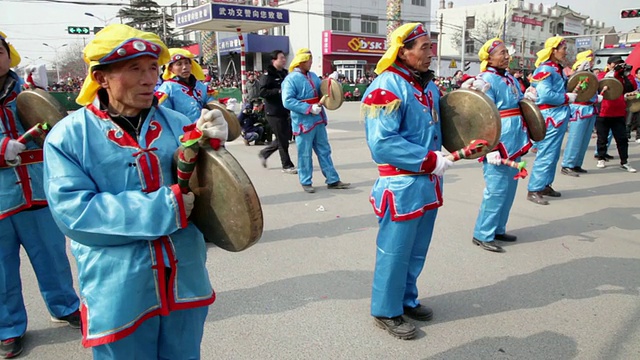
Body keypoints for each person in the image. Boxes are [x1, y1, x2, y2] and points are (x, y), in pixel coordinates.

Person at [42, 24, 227, 358]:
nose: (149, 79)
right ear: (101, 78)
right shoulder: (68, 137)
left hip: (183, 280)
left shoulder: (174, 123)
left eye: (153, 68)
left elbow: (209, 181)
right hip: (117, 289)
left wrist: (213, 140)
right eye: (135, 69)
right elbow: (75, 214)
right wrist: (166, 206)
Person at [362, 23, 453, 340]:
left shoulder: (427, 86)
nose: (430, 53)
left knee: (416, 250)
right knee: (394, 251)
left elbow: (445, 124)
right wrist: (429, 160)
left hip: (427, 182)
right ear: (403, 51)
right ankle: (385, 310)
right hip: (401, 185)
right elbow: (382, 143)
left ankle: (406, 299)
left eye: (431, 46)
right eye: (424, 47)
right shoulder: (385, 87)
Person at [0, 30, 80, 359]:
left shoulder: (30, 92)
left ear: (9, 54)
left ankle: (64, 306)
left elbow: (55, 128)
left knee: (53, 258)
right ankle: (8, 328)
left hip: (38, 190)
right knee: (2, 272)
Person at [462, 38, 532, 253]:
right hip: (498, 141)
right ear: (489, 57)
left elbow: (518, 102)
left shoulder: (509, 77)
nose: (506, 56)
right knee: (496, 190)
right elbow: (482, 116)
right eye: (501, 53)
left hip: (515, 139)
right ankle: (483, 233)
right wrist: (490, 147)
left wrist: (528, 96)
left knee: (509, 189)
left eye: (506, 52)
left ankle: (498, 228)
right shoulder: (485, 80)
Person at [282, 48, 350, 193]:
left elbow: (324, 92)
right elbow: (287, 101)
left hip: (318, 119)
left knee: (325, 151)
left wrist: (330, 82)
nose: (311, 63)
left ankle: (332, 180)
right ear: (301, 62)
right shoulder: (290, 79)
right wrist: (308, 108)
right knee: (304, 153)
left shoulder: (313, 76)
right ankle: (305, 181)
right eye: (309, 60)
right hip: (303, 122)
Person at [526, 36, 575, 205]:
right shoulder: (546, 69)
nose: (565, 52)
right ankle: (534, 188)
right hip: (551, 117)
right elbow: (545, 95)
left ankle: (545, 184)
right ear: (553, 50)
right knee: (546, 153)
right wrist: (566, 97)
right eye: (563, 48)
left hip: (558, 116)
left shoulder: (556, 68)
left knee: (553, 155)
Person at [560, 50, 603, 177]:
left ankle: (577, 163)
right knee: (575, 138)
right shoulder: (579, 74)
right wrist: (595, 99)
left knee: (584, 139)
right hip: (580, 109)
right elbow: (581, 93)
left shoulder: (589, 74)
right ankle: (567, 164)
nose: (592, 60)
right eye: (590, 58)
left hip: (589, 109)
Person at [595, 56, 637, 173]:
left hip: (618, 113)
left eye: (620, 64)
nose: (617, 66)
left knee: (622, 139)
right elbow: (599, 86)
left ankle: (624, 161)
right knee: (602, 138)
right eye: (615, 64)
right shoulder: (602, 75)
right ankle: (601, 157)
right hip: (603, 112)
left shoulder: (624, 77)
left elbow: (632, 87)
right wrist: (613, 72)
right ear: (608, 65)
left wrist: (626, 74)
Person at [258, 50, 297, 174]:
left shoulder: (285, 74)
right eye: (281, 58)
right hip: (273, 112)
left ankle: (264, 153)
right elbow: (262, 92)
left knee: (285, 137)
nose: (284, 60)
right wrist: (278, 91)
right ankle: (287, 165)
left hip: (285, 110)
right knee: (283, 140)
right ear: (274, 60)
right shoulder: (267, 75)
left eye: (284, 58)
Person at [155, 48, 217, 122]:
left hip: (205, 128)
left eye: (187, 63)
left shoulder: (200, 86)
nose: (184, 67)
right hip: (181, 132)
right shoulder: (167, 88)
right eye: (179, 64)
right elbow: (163, 116)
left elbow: (213, 105)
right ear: (170, 68)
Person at [626, 67, 640, 143]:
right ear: (636, 75)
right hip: (632, 103)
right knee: (629, 120)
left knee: (639, 121)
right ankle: (627, 135)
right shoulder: (633, 82)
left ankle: (638, 137)